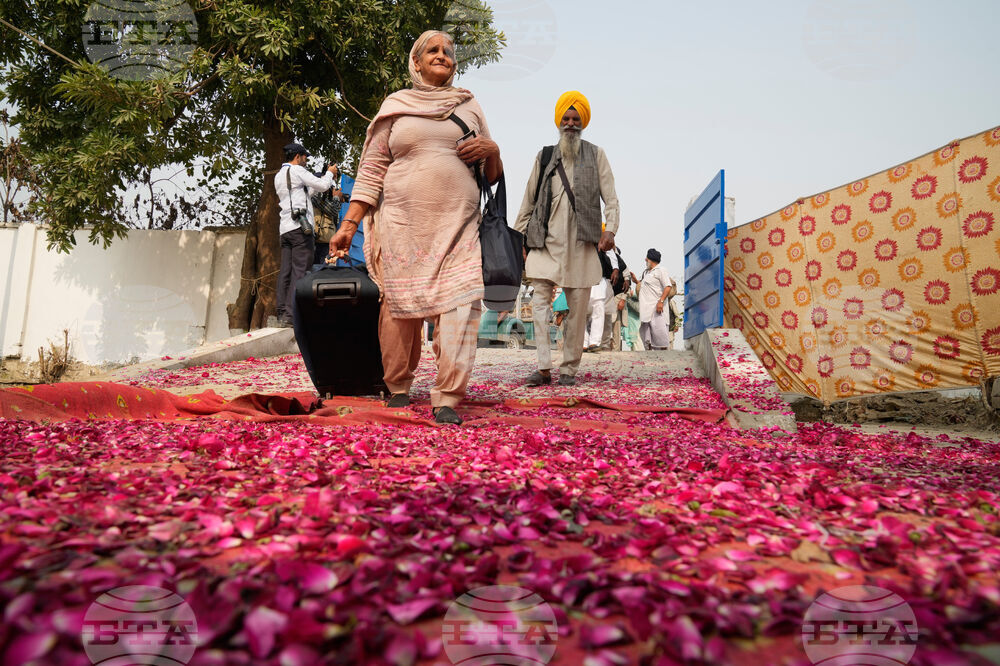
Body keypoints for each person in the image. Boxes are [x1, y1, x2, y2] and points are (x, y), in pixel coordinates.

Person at [328, 30, 502, 426]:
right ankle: (398, 387)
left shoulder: (469, 105)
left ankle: (447, 396)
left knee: (460, 307)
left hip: (458, 226)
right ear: (417, 62)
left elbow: (490, 175)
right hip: (402, 226)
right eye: (433, 51)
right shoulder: (395, 106)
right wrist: (349, 225)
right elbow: (371, 171)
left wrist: (494, 151)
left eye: (448, 52)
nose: (443, 56)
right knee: (398, 308)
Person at [514, 90, 620, 385]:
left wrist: (610, 228)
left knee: (577, 310)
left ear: (582, 122)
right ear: (559, 121)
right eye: (566, 118)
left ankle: (568, 369)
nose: (571, 123)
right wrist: (518, 238)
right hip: (545, 243)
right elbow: (529, 199)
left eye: (576, 119)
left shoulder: (596, 154)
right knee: (539, 304)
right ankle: (544, 366)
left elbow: (611, 199)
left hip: (582, 244)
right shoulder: (545, 155)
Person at [274, 143, 337, 327]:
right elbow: (324, 185)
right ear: (298, 156)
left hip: (285, 229)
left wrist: (320, 179)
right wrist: (330, 173)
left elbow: (306, 192)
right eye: (305, 157)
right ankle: (293, 315)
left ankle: (282, 313)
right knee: (300, 271)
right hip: (300, 229)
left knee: (285, 271)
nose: (306, 161)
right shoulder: (297, 171)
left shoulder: (279, 176)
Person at [630, 248, 676, 350]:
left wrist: (661, 301)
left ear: (651, 260)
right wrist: (636, 281)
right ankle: (652, 358)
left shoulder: (661, 270)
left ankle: (663, 358)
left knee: (660, 337)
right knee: (648, 338)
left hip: (657, 310)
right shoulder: (648, 273)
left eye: (647, 258)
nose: (645, 260)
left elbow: (668, 287)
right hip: (647, 311)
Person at [611, 275, 630, 350]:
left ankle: (616, 351)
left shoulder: (621, 266)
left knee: (616, 329)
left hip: (617, 301)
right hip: (604, 300)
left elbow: (628, 286)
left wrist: (623, 299)